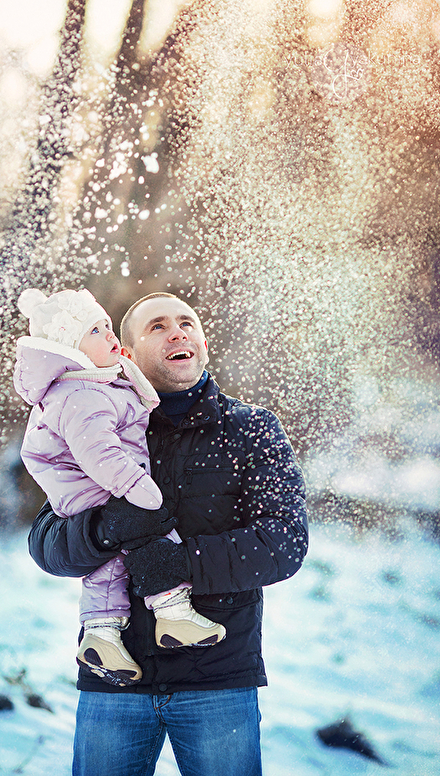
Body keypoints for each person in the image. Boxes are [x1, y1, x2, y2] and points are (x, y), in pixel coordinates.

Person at [28, 292, 309, 776]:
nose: (177, 331)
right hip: (114, 680)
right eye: (157, 326)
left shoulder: (251, 428)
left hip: (218, 679)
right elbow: (46, 542)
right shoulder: (97, 418)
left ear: (203, 343)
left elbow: (284, 542)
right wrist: (103, 530)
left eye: (187, 323)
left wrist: (178, 564)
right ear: (127, 353)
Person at [14, 288, 226, 687]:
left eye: (107, 326)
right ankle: (172, 611)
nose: (108, 335)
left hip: (220, 676)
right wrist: (131, 490)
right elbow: (97, 453)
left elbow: (281, 543)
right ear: (70, 348)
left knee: (110, 564)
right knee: (150, 532)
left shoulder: (95, 387)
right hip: (98, 486)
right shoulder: (82, 393)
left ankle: (101, 634)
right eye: (95, 331)